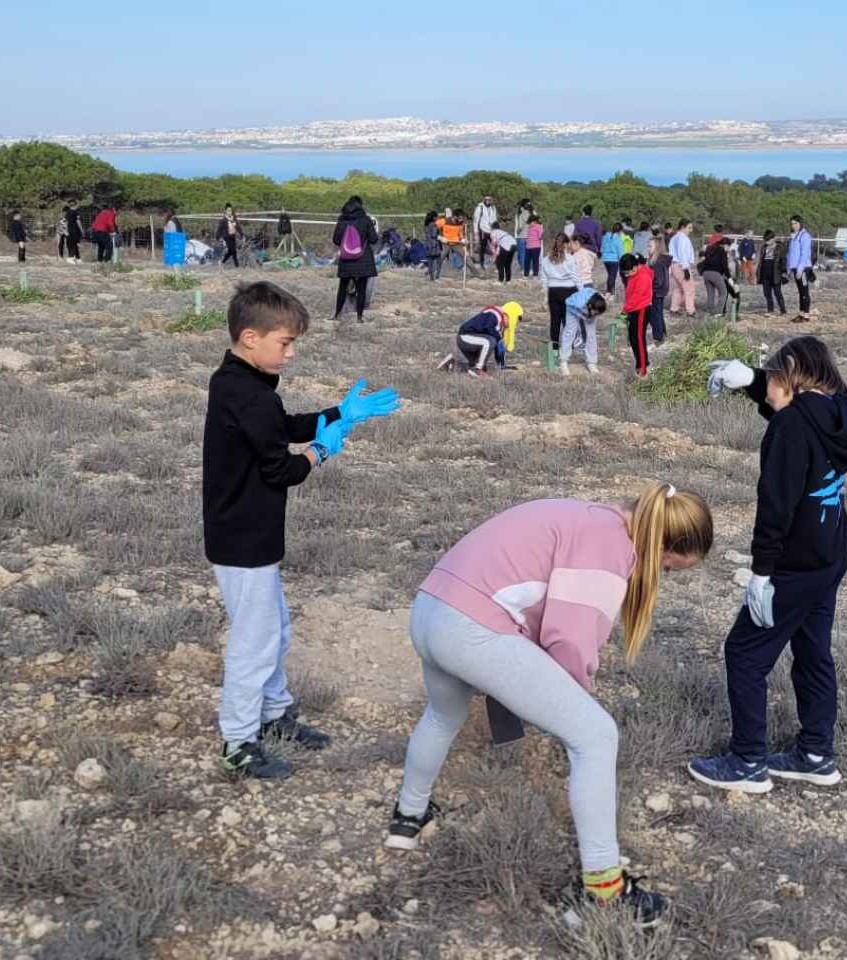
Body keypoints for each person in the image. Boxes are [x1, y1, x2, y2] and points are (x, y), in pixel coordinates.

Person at [384, 485, 713, 928]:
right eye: (670, 570)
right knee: (596, 737)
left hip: (430, 608)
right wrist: (575, 707)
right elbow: (570, 640)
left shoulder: (587, 515)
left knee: (444, 714)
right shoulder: (611, 544)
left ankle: (408, 817)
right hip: (470, 627)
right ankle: (603, 894)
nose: (662, 576)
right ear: (660, 544)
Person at [203, 282, 400, 778]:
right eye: (284, 343)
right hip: (243, 538)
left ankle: (273, 715)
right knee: (254, 641)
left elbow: (282, 426)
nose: (291, 353)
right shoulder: (247, 396)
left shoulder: (240, 384)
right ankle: (239, 740)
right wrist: (324, 449)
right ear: (250, 337)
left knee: (276, 629)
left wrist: (339, 413)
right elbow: (282, 470)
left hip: (250, 534)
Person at [693, 337, 847, 794]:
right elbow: (796, 411)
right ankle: (814, 754)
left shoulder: (790, 428)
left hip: (794, 563)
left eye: (770, 376)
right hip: (830, 553)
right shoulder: (841, 411)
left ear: (789, 372)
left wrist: (762, 573)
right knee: (812, 652)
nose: (767, 387)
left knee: (745, 654)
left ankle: (747, 761)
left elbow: (775, 507)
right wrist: (751, 380)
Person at [329, 197, 380, 322]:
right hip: (363, 259)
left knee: (343, 287)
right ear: (360, 206)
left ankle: (337, 314)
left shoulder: (341, 220)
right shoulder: (365, 220)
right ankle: (359, 317)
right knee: (361, 289)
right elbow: (374, 239)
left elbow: (335, 240)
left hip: (346, 259)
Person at [455, 302, 522, 376]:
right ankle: (478, 370)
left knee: (477, 364)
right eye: (515, 320)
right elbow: (488, 328)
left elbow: (497, 344)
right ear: (509, 314)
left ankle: (452, 363)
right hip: (465, 337)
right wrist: (498, 338)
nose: (512, 324)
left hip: (471, 340)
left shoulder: (498, 321)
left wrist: (502, 365)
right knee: (490, 341)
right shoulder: (494, 315)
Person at [541, 233, 581, 360]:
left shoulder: (546, 259)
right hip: (569, 290)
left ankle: (554, 349)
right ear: (565, 244)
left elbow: (544, 279)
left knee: (555, 321)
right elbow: (575, 277)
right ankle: (567, 348)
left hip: (553, 291)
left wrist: (545, 297)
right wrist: (582, 292)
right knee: (568, 321)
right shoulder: (569, 258)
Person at [621, 253, 657, 374]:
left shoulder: (643, 277)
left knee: (639, 338)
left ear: (635, 267)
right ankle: (640, 362)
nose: (627, 275)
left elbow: (636, 297)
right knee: (632, 337)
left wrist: (624, 309)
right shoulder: (634, 273)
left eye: (628, 272)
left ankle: (643, 366)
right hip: (633, 309)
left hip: (641, 309)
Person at [561, 288, 607, 375]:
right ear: (590, 306)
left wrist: (592, 316)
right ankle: (564, 361)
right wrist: (581, 315)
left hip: (589, 311)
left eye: (598, 313)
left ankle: (592, 363)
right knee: (569, 333)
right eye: (596, 312)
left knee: (591, 335)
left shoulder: (599, 303)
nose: (597, 314)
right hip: (572, 309)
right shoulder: (578, 302)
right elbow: (567, 303)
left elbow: (596, 311)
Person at [786, 216, 814, 323]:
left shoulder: (805, 236)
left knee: (804, 291)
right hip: (794, 267)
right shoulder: (794, 236)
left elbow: (804, 253)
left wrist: (800, 269)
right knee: (800, 291)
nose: (793, 226)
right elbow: (790, 254)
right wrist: (789, 268)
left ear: (800, 223)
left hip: (803, 268)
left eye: (795, 223)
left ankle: (806, 315)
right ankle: (801, 313)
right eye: (792, 224)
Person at [668, 220, 697, 317]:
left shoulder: (674, 238)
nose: (691, 230)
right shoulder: (682, 238)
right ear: (682, 227)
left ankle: (674, 309)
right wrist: (685, 269)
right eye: (689, 228)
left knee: (678, 288)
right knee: (689, 288)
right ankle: (690, 311)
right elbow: (682, 254)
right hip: (681, 265)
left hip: (674, 265)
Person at [698, 236, 732, 316]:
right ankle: (718, 312)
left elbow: (702, 256)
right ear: (725, 245)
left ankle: (709, 311)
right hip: (715, 274)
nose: (728, 248)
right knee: (724, 292)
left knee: (711, 293)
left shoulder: (710, 248)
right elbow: (725, 266)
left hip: (705, 273)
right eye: (728, 246)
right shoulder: (722, 251)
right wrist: (729, 277)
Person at [758, 230, 787, 315]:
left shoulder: (780, 247)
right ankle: (770, 310)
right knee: (767, 293)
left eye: (769, 240)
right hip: (765, 273)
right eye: (766, 240)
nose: (767, 242)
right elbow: (761, 261)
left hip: (775, 273)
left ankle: (783, 310)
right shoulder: (764, 247)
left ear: (774, 238)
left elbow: (783, 261)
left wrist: (783, 272)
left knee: (777, 293)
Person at [472, 195, 498, 272]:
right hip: (483, 230)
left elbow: (495, 219)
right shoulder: (480, 208)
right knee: (482, 248)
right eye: (486, 199)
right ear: (484, 199)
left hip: (492, 231)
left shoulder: (493, 208)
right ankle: (482, 264)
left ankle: (497, 264)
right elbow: (476, 221)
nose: (488, 201)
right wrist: (476, 232)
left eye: (490, 199)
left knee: (495, 247)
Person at [599, 227, 624, 293]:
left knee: (610, 275)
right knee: (612, 276)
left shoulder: (604, 237)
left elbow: (601, 248)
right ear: (619, 232)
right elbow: (620, 251)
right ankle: (610, 292)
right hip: (614, 260)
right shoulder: (618, 239)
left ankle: (610, 290)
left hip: (605, 259)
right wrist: (622, 259)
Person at [422, 212, 444, 282]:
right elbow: (434, 235)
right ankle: (436, 277)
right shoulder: (433, 225)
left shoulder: (426, 225)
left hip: (428, 245)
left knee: (430, 263)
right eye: (437, 217)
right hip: (434, 246)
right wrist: (441, 238)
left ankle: (431, 278)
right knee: (438, 262)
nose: (438, 218)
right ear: (434, 217)